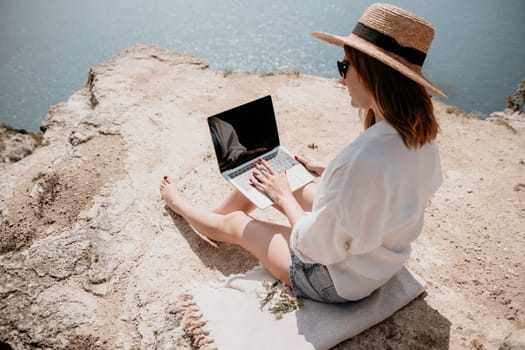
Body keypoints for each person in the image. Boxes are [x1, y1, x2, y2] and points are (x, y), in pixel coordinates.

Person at [160, 3, 446, 303]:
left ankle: (180, 204)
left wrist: (282, 199)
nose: (342, 78)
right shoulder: (421, 136)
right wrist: (328, 170)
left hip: (336, 280)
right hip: (377, 259)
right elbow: (389, 186)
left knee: (239, 223)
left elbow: (315, 247)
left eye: (345, 66)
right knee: (276, 175)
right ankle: (213, 217)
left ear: (373, 74)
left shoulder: (362, 161)